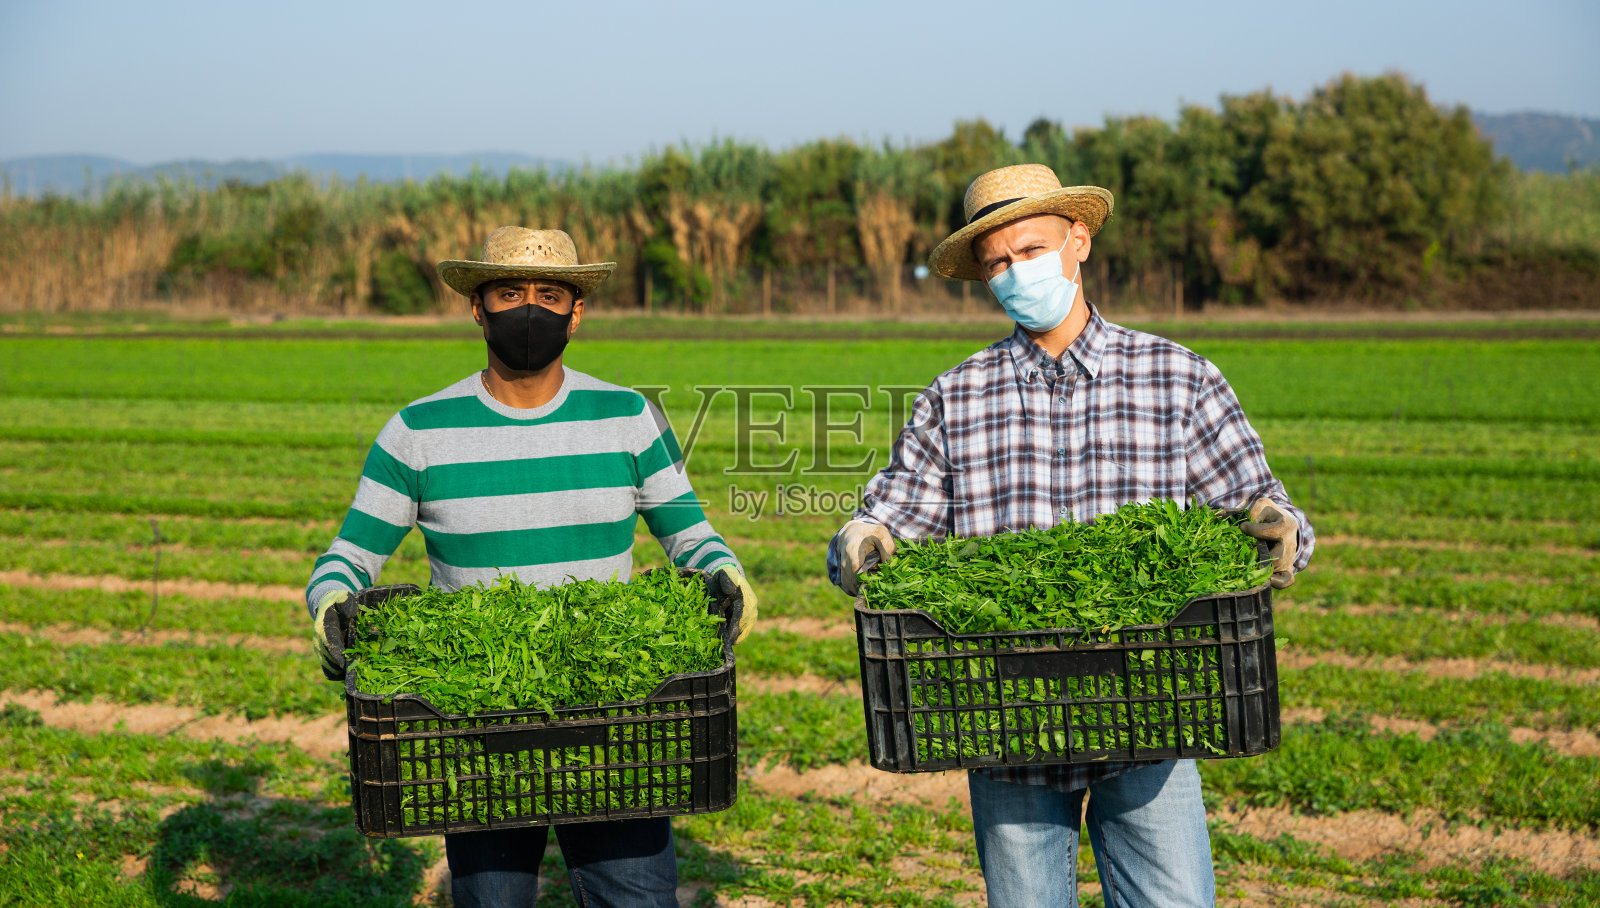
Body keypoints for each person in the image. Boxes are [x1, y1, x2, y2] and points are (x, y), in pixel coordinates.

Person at [827, 164, 1313, 907]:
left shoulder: (1176, 377)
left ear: (1077, 241)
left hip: (1152, 713)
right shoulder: (955, 397)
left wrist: (1275, 529)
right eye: (997, 263)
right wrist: (863, 538)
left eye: (1030, 250)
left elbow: (1258, 505)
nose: (1015, 272)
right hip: (1004, 721)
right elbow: (895, 517)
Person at [307, 226, 757, 908]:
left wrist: (728, 577)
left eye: (551, 294)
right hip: (474, 723)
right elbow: (350, 555)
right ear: (477, 307)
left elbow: (690, 536)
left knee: (634, 899)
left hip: (615, 715)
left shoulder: (627, 417)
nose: (530, 309)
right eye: (509, 292)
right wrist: (330, 602)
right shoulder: (419, 431)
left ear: (577, 313)